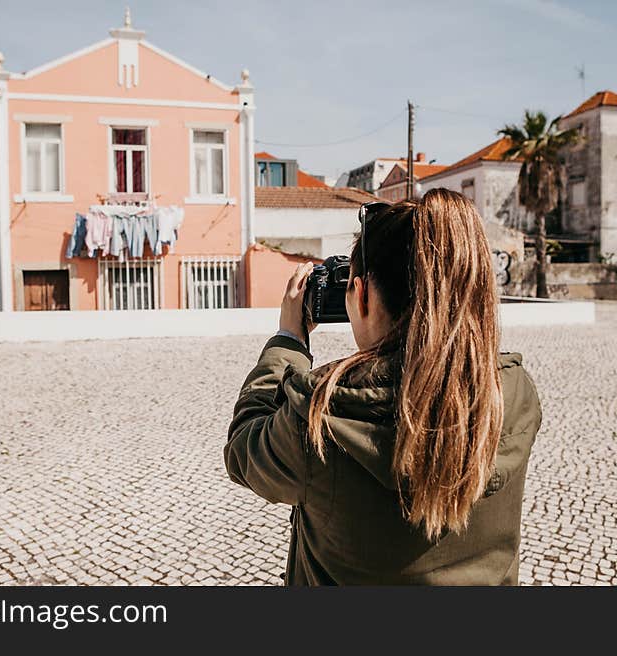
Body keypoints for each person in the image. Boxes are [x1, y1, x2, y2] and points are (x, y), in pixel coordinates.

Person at [224, 188, 542, 585]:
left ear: (362, 295)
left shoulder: (324, 414)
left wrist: (288, 340)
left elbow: (243, 451)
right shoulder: (512, 393)